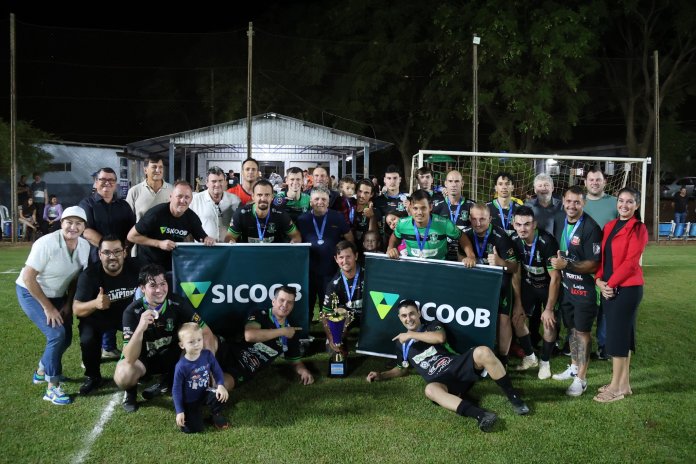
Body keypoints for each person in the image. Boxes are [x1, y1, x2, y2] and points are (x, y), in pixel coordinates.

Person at [365, 300, 529, 432]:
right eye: (404, 316)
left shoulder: (431, 326)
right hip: (441, 381)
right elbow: (402, 369)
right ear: (400, 318)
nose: (409, 318)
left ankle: (514, 398)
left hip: (456, 366)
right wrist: (381, 375)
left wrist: (411, 335)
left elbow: (439, 338)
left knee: (483, 352)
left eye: (412, 313)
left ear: (419, 313)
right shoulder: (401, 345)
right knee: (430, 390)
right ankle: (481, 415)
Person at [114, 264, 218, 412]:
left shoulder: (177, 303)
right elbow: (129, 358)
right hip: (144, 360)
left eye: (163, 284)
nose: (159, 290)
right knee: (123, 375)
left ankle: (168, 381)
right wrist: (140, 328)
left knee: (209, 342)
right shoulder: (131, 312)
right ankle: (131, 392)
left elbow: (206, 332)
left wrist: (209, 370)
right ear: (142, 288)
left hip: (172, 357)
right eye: (153, 285)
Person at [15, 206, 90, 405]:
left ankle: (41, 371)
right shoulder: (46, 243)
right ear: (61, 222)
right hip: (31, 292)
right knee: (56, 335)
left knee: (66, 339)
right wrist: (48, 308)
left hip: (58, 295)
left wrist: (67, 303)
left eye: (78, 223)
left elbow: (76, 280)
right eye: (69, 222)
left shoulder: (84, 246)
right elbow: (29, 278)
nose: (73, 227)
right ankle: (52, 387)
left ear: (84, 227)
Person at [594, 188, 648, 402]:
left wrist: (610, 284)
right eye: (621, 201)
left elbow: (631, 262)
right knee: (622, 336)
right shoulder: (609, 226)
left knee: (617, 338)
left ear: (636, 205)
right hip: (610, 288)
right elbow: (604, 259)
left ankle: (616, 388)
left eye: (630, 202)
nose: (624, 205)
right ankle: (624, 384)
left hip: (627, 290)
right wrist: (599, 280)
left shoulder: (638, 228)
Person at [550, 185, 602, 396]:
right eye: (569, 201)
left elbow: (594, 264)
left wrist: (567, 265)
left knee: (582, 333)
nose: (572, 205)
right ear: (563, 201)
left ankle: (581, 379)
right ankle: (573, 367)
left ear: (584, 203)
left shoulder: (591, 228)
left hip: (585, 291)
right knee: (571, 329)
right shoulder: (561, 220)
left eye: (577, 202)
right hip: (568, 287)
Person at [72, 235, 139, 394]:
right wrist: (95, 303)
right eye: (107, 252)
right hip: (98, 317)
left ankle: (143, 368)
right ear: (100, 254)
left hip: (126, 316)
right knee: (88, 339)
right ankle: (93, 376)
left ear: (124, 253)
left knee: (146, 327)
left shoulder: (137, 267)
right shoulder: (89, 275)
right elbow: (76, 308)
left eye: (117, 252)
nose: (112, 256)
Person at [218, 285, 314, 390]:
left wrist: (303, 371)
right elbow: (250, 336)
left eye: (290, 302)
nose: (285, 305)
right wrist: (282, 331)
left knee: (222, 384)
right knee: (212, 341)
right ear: (273, 301)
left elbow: (295, 361)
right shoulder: (260, 314)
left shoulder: (292, 330)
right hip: (231, 353)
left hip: (247, 367)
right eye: (281, 300)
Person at [464, 203, 519, 367]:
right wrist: (465, 259)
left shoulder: (501, 236)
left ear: (490, 219)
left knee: (503, 319)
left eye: (482, 219)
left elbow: (514, 267)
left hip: (499, 284)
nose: (478, 223)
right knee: (473, 316)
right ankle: (475, 354)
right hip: (476, 285)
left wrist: (501, 262)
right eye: (474, 219)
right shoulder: (465, 235)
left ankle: (503, 358)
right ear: (469, 218)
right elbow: (460, 257)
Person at [510, 206, 561, 379]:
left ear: (534, 225)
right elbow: (516, 273)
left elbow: (555, 278)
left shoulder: (547, 241)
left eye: (527, 224)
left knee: (549, 322)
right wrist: (518, 303)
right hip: (529, 285)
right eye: (518, 224)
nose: (522, 228)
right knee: (517, 318)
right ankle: (530, 357)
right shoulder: (514, 240)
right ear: (513, 224)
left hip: (548, 286)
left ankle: (545, 362)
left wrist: (549, 309)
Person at [128, 180, 215, 271]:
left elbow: (202, 237)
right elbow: (131, 236)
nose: (183, 200)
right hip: (148, 264)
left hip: (172, 265)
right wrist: (159, 243)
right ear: (170, 197)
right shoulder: (156, 214)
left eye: (187, 197)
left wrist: (207, 239)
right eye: (179, 196)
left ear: (191, 200)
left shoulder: (192, 218)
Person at [296, 186, 355, 320]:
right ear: (311, 202)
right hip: (308, 271)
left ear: (328, 202)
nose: (320, 202)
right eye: (316, 199)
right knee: (307, 305)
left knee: (330, 306)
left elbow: (350, 239)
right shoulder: (302, 219)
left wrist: (348, 262)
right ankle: (306, 329)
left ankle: (330, 331)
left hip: (331, 271)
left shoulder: (338, 217)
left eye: (324, 199)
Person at [387, 189, 476, 266]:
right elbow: (395, 237)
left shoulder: (444, 224)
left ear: (430, 207)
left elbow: (462, 236)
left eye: (423, 208)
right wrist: (391, 248)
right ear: (410, 208)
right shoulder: (402, 224)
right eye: (415, 208)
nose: (419, 212)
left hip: (439, 268)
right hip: (414, 267)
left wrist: (471, 256)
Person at [583, 166, 618, 360]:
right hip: (584, 264)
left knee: (606, 305)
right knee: (584, 305)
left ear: (604, 182)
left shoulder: (615, 202)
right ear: (585, 182)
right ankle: (578, 343)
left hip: (608, 264)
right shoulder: (579, 202)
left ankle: (604, 347)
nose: (595, 183)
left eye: (598, 179)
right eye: (591, 179)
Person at [173, 323, 229, 432]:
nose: (197, 344)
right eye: (191, 342)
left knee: (221, 394)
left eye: (199, 340)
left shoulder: (207, 355)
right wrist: (179, 411)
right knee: (194, 429)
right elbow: (176, 390)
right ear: (182, 345)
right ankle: (192, 415)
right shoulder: (181, 366)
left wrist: (220, 385)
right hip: (189, 400)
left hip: (204, 392)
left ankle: (216, 414)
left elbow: (217, 371)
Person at [79, 167, 136, 264]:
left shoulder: (124, 205)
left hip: (122, 259)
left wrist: (124, 249)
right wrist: (110, 250)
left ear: (115, 184)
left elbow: (132, 230)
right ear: (96, 182)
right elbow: (86, 231)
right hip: (97, 259)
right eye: (103, 179)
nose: (107, 182)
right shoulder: (87, 204)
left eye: (111, 180)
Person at [226, 179, 301, 243]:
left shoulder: (281, 214)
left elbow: (295, 235)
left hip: (274, 254)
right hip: (248, 254)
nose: (263, 199)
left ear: (272, 197)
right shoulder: (241, 214)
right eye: (259, 195)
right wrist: (231, 241)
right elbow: (229, 237)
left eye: (267, 195)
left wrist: (294, 241)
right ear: (253, 197)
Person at [433, 170, 476, 261]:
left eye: (457, 181)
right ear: (445, 183)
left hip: (464, 256)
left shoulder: (472, 206)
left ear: (462, 183)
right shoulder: (436, 207)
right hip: (442, 256)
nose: (453, 185)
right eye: (450, 181)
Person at [190, 166, 241, 242]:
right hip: (203, 247)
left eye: (220, 181)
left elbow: (239, 225)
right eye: (213, 181)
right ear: (207, 183)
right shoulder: (195, 200)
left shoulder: (235, 200)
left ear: (225, 182)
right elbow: (188, 227)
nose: (217, 184)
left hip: (228, 247)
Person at [322, 241, 364, 323]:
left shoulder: (368, 275)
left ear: (356, 256)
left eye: (348, 256)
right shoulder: (333, 284)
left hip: (367, 316)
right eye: (341, 257)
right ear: (336, 259)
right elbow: (326, 314)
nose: (345, 261)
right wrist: (331, 332)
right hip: (347, 318)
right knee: (338, 314)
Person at [126, 155, 173, 222]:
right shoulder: (134, 191)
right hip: (141, 229)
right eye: (154, 167)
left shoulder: (172, 190)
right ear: (145, 170)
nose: (158, 170)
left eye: (160, 167)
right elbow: (127, 218)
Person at [373, 165, 409, 247]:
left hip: (403, 246)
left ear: (400, 179)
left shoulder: (408, 200)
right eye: (389, 178)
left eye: (395, 178)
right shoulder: (377, 201)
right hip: (381, 245)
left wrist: (409, 210)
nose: (392, 181)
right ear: (384, 180)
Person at [352, 179, 378, 249]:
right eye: (360, 191)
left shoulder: (374, 210)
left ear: (371, 194)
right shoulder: (349, 205)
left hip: (365, 251)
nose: (362, 195)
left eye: (366, 193)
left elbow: (373, 237)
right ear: (356, 191)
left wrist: (372, 217)